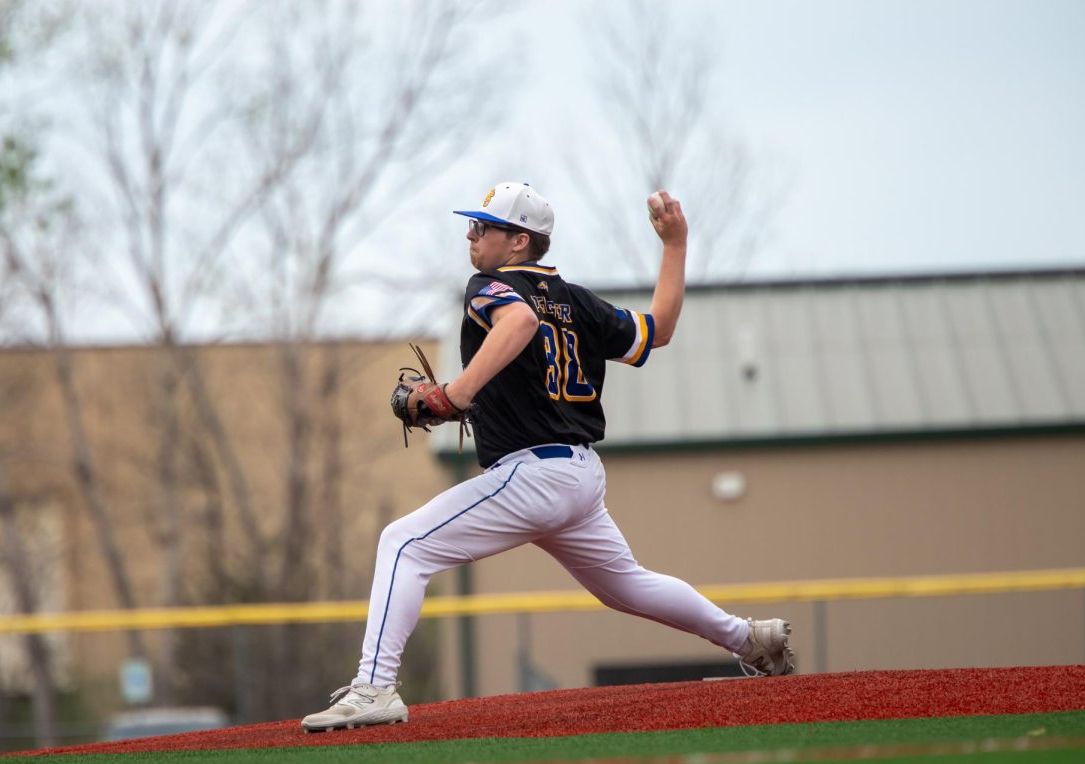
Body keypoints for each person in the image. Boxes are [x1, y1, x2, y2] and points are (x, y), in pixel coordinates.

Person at [302, 182, 794, 733]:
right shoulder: (578, 300)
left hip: (534, 474)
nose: (471, 234)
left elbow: (519, 323)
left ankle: (373, 687)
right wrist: (676, 246)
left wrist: (453, 395)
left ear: (517, 242)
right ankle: (750, 639)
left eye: (482, 227)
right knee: (625, 584)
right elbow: (658, 330)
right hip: (579, 475)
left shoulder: (488, 286)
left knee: (404, 544)